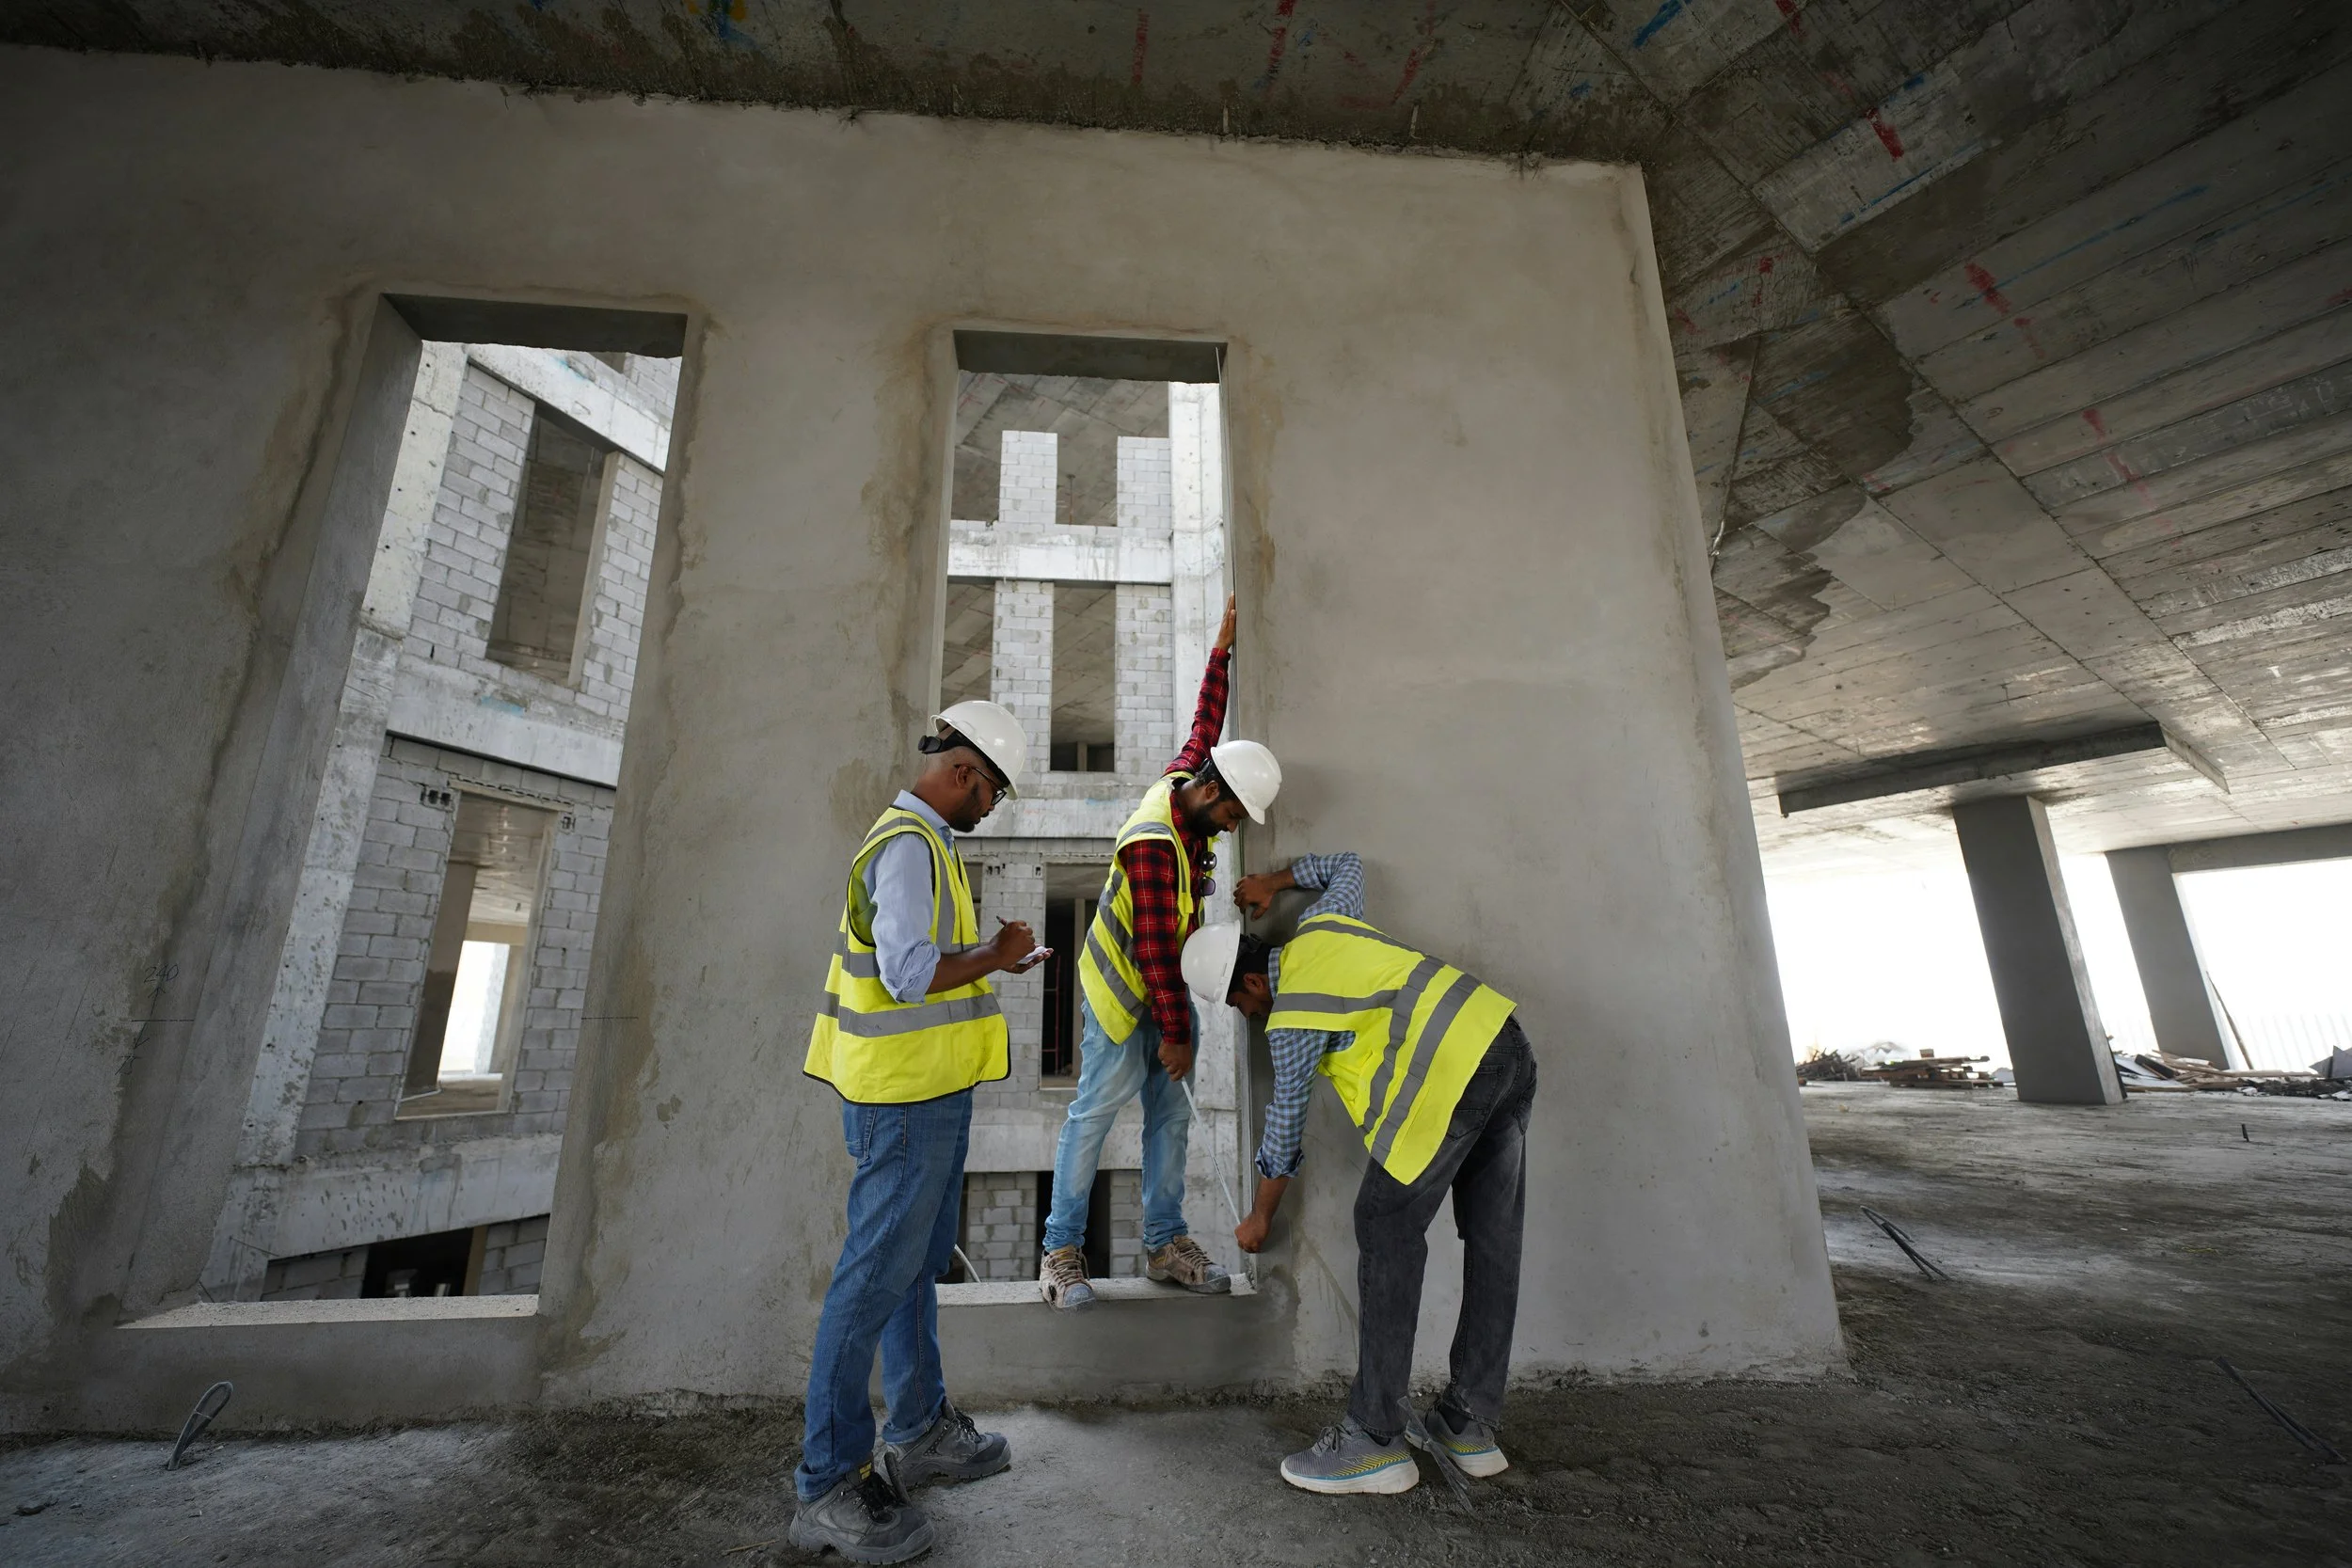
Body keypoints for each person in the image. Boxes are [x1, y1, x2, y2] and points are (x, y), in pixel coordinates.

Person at [1180, 853, 1537, 1495]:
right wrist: (1275, 881)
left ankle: (1374, 1438)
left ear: (1252, 988)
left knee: (1383, 1222)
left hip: (1450, 1082)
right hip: (1503, 1040)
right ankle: (1470, 1423)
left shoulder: (1289, 1020)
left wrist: (1261, 1215)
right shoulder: (1324, 925)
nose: (1249, 1017)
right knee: (1493, 1241)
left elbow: (1284, 1127)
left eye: (1239, 1007)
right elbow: (1347, 865)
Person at [793, 700, 1045, 1563]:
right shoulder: (907, 845)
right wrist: (1001, 950)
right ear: (967, 772)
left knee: (909, 1274)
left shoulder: (930, 844)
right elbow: (907, 977)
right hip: (900, 1105)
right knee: (869, 1284)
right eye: (995, 795)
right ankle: (826, 1483)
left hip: (929, 1096)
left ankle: (919, 1429)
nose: (990, 811)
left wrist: (992, 956)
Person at [1037, 595, 1284, 1309]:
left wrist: (1221, 654)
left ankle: (1162, 1240)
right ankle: (1059, 1250)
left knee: (1171, 1113)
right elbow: (1150, 949)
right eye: (1233, 812)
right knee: (1097, 1110)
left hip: (1165, 979)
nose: (1232, 825)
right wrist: (1174, 1034)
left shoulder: (1192, 780)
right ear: (1211, 791)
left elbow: (1206, 725)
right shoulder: (1153, 839)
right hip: (1125, 986)